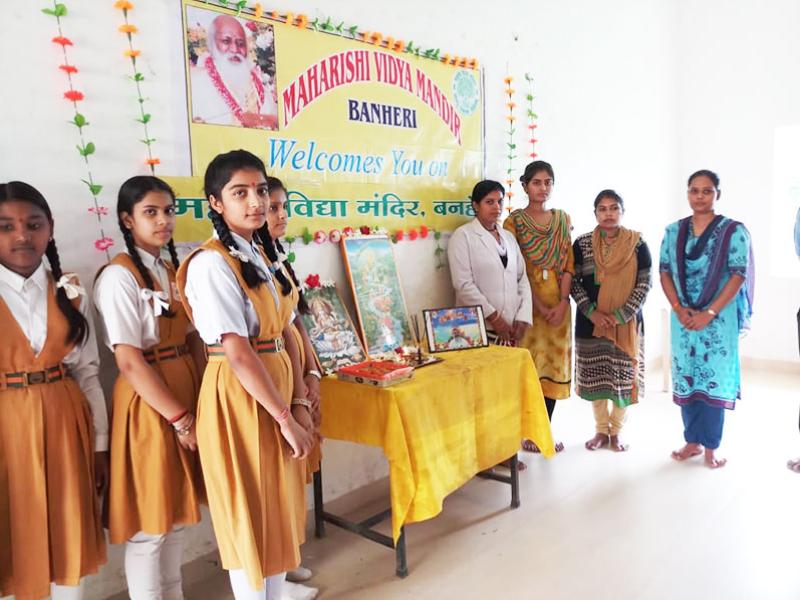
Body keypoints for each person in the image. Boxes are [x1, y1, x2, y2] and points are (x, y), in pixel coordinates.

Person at [176, 150, 314, 600]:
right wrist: (284, 416)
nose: (255, 202)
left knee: (274, 516)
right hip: (241, 394)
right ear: (216, 203)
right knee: (249, 522)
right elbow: (236, 349)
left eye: (259, 191)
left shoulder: (258, 252)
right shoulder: (211, 262)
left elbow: (284, 330)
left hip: (273, 386)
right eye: (239, 193)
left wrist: (298, 399)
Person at [93, 176, 207, 599]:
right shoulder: (118, 277)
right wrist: (181, 419)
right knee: (150, 526)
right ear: (127, 219)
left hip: (184, 387)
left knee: (177, 514)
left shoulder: (172, 269)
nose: (164, 221)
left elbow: (193, 338)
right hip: (150, 403)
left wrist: (203, 399)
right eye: (150, 212)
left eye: (169, 211)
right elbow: (128, 360)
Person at [0, 181, 107, 600]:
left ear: (50, 229)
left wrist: (100, 443)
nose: (21, 235)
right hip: (6, 429)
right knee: (11, 527)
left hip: (65, 424)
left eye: (33, 223)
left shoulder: (71, 289)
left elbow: (89, 372)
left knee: (67, 528)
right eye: (5, 226)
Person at [660, 169, 754, 469]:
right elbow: (664, 270)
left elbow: (738, 274)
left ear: (717, 194)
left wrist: (709, 312)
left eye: (707, 190)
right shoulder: (673, 231)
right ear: (687, 193)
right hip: (683, 319)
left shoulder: (733, 231)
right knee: (687, 377)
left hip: (718, 320)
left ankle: (712, 445)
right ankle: (692, 441)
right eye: (694, 190)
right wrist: (678, 308)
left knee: (713, 380)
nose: (700, 196)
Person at [264, 176, 322, 600]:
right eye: (274, 207)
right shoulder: (236, 263)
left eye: (284, 206)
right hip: (274, 379)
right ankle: (275, 573)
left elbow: (298, 320)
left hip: (296, 370)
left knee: (294, 473)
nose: (280, 215)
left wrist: (312, 372)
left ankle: (289, 558)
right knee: (274, 476)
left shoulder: (277, 257)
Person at [571, 190, 652, 452]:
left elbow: (644, 283)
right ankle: (599, 430)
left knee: (622, 378)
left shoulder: (637, 244)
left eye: (614, 208)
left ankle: (616, 432)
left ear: (622, 211)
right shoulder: (582, 244)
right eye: (602, 209)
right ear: (595, 214)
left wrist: (621, 315)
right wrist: (592, 312)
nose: (608, 213)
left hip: (626, 324)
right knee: (597, 379)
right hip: (590, 323)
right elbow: (573, 282)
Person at [504, 161, 573, 453]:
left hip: (558, 306)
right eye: (536, 182)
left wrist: (561, 302)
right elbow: (517, 268)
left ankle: (541, 430)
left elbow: (569, 263)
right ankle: (522, 432)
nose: (542, 188)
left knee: (553, 368)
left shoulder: (561, 219)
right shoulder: (514, 222)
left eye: (547, 182)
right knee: (528, 368)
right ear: (524, 186)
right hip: (525, 306)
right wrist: (537, 304)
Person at [448, 180, 532, 346]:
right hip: (477, 328)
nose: (497, 207)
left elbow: (522, 279)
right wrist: (494, 318)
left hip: (510, 329)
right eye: (489, 202)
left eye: (499, 201)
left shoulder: (508, 237)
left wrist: (523, 318)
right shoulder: (463, 236)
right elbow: (463, 284)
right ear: (476, 205)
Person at [190, 14, 278, 129]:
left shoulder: (257, 86)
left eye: (240, 43)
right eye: (226, 41)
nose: (234, 49)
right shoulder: (196, 81)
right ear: (212, 44)